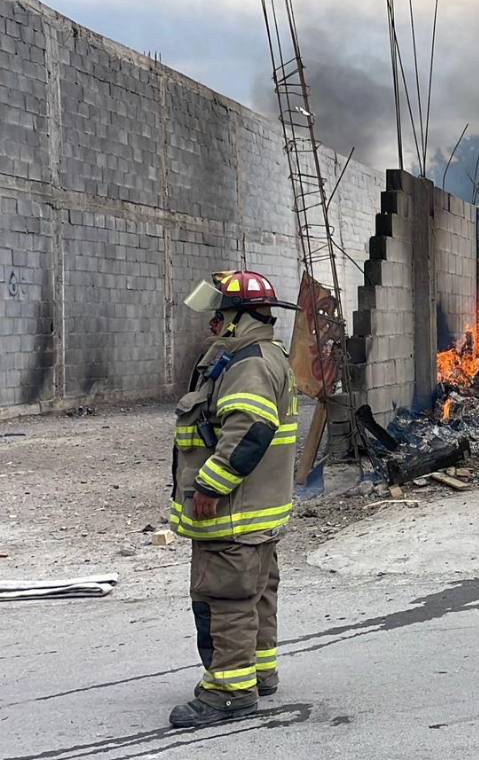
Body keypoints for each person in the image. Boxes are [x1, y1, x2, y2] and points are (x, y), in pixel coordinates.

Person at [168, 270, 300, 728]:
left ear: (237, 317)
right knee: (256, 592)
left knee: (224, 596)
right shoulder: (264, 354)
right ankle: (258, 673)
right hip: (255, 508)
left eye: (219, 314)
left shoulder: (247, 362)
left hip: (233, 509)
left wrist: (210, 486)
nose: (211, 323)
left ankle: (228, 690)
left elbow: (250, 429)